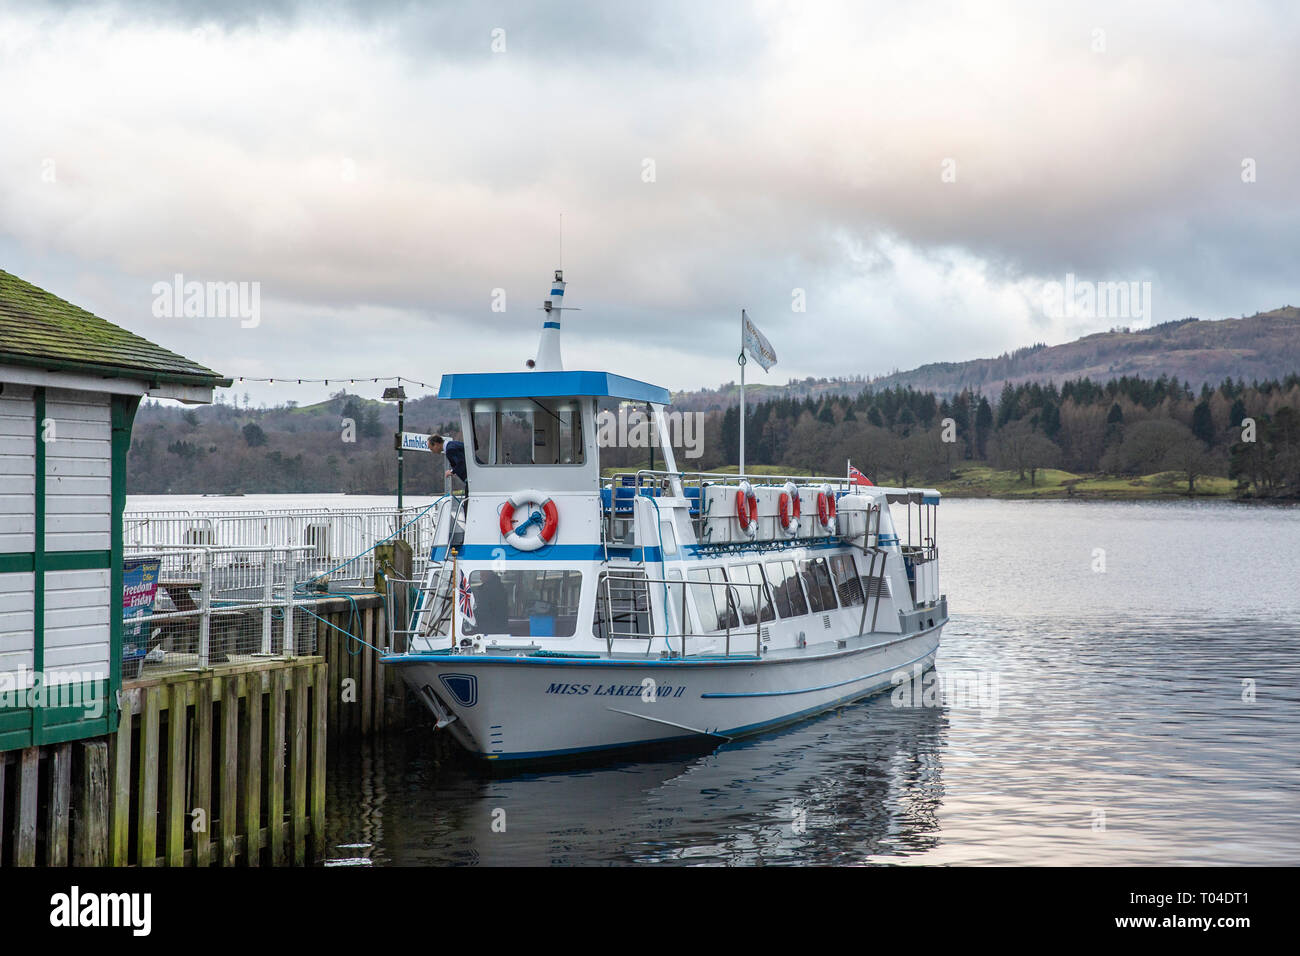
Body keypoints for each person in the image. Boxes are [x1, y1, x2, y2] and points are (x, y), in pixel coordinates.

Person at [471, 570, 509, 634]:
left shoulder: (486, 590)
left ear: (489, 574)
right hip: (500, 627)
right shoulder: (500, 588)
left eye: (482, 575)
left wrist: (472, 615)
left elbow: (483, 610)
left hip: (489, 628)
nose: (480, 578)